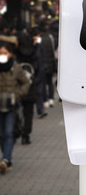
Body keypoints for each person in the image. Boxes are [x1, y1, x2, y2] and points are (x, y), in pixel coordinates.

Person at [0, 43, 30, 174]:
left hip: (11, 105)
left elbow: (26, 83)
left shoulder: (16, 68)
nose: (2, 55)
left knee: (8, 132)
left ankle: (5, 159)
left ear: (10, 54)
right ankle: (7, 159)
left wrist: (16, 95)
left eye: (5, 53)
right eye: (0, 53)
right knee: (1, 134)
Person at [16, 33, 45, 145]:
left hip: (17, 89)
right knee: (28, 113)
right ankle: (26, 135)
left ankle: (17, 129)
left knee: (17, 111)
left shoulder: (16, 54)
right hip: (31, 89)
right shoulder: (35, 53)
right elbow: (40, 71)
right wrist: (32, 82)